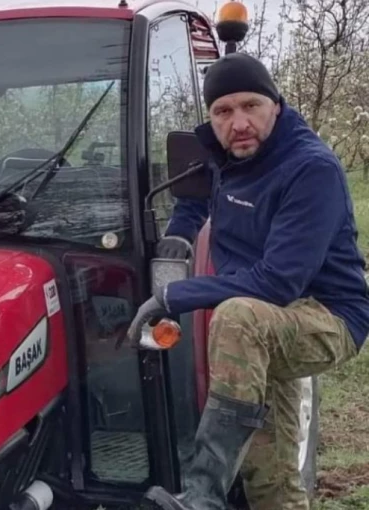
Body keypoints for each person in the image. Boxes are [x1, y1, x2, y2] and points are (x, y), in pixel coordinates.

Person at [128, 52, 369, 510]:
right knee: (269, 479)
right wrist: (179, 234)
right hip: (266, 323)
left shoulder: (310, 169)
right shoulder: (225, 154)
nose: (238, 123)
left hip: (325, 315)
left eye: (250, 106)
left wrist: (174, 294)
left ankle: (203, 495)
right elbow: (194, 193)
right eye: (223, 111)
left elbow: (278, 282)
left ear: (275, 104)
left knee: (237, 318)